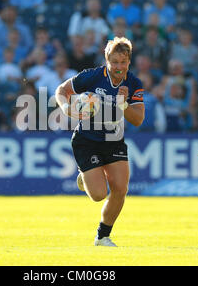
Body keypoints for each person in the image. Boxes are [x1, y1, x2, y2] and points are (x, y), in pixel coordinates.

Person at [55, 37, 145, 246]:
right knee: (98, 195)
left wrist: (123, 104)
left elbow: (138, 119)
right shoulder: (92, 76)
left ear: (129, 62)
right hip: (87, 140)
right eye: (114, 62)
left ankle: (102, 236)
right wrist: (67, 108)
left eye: (123, 62)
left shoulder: (133, 84)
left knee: (121, 189)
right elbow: (61, 91)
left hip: (113, 140)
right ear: (107, 60)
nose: (119, 67)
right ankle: (84, 176)